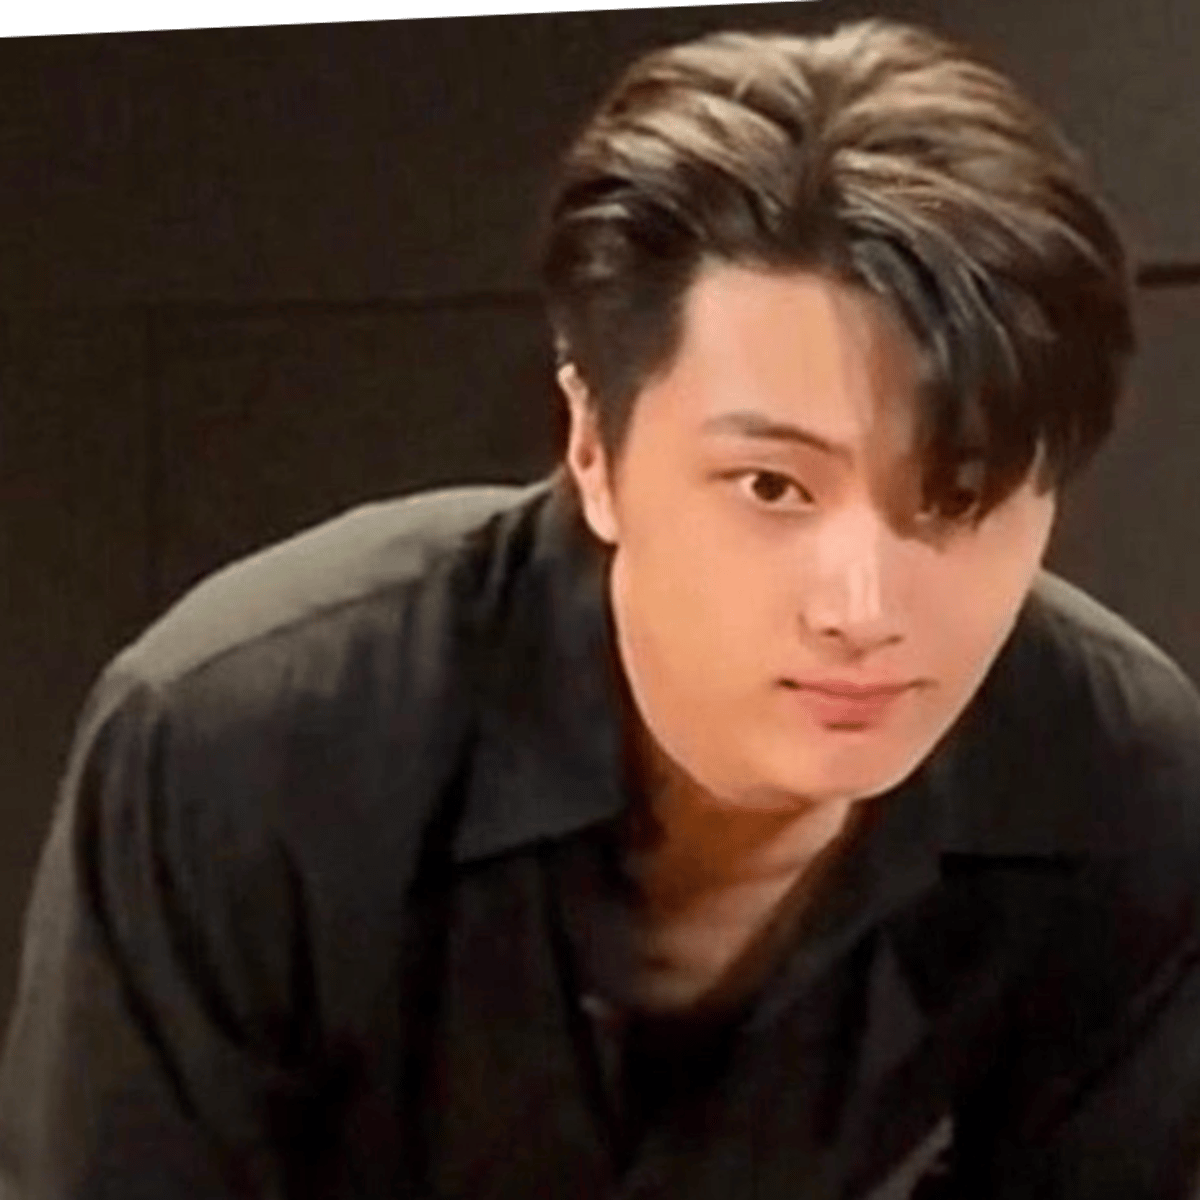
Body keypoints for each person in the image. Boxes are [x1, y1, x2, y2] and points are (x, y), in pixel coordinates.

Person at [2, 15, 1198, 1199]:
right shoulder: (241, 747)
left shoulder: (1120, 783)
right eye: (771, 486)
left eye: (959, 496)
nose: (862, 608)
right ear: (592, 445)